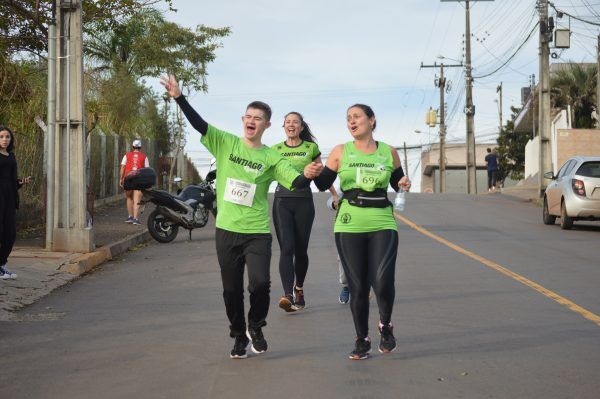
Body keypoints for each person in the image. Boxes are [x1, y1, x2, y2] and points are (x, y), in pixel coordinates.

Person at [160, 75, 322, 359]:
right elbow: (199, 124)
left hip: (257, 230)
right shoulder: (225, 143)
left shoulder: (272, 157)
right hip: (226, 229)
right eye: (248, 116)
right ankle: (238, 335)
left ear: (266, 125)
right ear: (243, 120)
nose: (252, 121)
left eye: (258, 118)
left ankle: (256, 326)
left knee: (260, 283)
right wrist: (179, 97)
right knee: (231, 291)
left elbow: (293, 181)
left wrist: (306, 176)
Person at [314, 104, 411, 360]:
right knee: (357, 286)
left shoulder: (388, 152)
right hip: (349, 222)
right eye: (348, 119)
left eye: (356, 117)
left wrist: (402, 183)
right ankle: (362, 339)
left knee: (382, 281)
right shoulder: (339, 151)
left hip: (382, 222)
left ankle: (386, 325)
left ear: (371, 120)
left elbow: (397, 183)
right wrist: (316, 172)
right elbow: (323, 183)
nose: (351, 122)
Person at [272, 112, 323, 312]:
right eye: (288, 122)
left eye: (295, 122)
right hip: (282, 201)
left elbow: (321, 176)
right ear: (283, 126)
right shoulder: (275, 149)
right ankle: (287, 294)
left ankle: (298, 287)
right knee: (287, 248)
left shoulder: (311, 148)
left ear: (302, 127)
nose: (291, 125)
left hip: (304, 202)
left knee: (301, 250)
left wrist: (336, 195)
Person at [0, 126, 32, 280]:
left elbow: (13, 181)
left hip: (10, 198)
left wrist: (22, 181)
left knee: (10, 234)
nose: (5, 139)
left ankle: (1, 265)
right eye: (1, 136)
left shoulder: (11, 156)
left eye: (7, 137)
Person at [119, 139, 149, 225]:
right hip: (139, 179)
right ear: (140, 147)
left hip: (128, 179)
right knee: (137, 199)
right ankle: (135, 219)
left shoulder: (126, 155)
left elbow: (122, 168)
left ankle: (130, 217)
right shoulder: (144, 157)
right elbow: (147, 170)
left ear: (132, 147)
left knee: (129, 198)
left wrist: (121, 178)